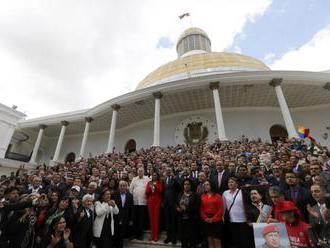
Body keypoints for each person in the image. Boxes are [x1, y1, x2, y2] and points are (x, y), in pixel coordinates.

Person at [223, 177, 254, 248]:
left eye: (232, 182)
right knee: (235, 240)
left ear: (237, 184)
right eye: (229, 182)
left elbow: (248, 204)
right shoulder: (225, 193)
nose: (230, 183)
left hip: (243, 220)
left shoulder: (242, 192)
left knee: (244, 240)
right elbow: (224, 207)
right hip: (232, 220)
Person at [200, 180, 224, 248]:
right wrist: (205, 218)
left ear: (212, 185)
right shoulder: (203, 196)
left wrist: (213, 219)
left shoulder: (218, 196)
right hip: (206, 220)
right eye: (204, 185)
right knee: (210, 241)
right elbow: (201, 209)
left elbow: (221, 209)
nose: (205, 186)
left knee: (217, 241)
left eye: (207, 184)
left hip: (216, 221)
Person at [176, 178, 199, 248]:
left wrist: (186, 209)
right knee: (183, 239)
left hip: (191, 220)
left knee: (192, 239)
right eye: (185, 184)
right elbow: (176, 203)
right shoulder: (180, 194)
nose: (186, 186)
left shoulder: (195, 195)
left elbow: (196, 207)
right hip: (182, 220)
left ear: (191, 185)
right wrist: (177, 208)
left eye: (188, 184)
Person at [129, 167, 150, 240]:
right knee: (135, 219)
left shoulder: (147, 179)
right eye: (139, 171)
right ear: (137, 172)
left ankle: (140, 235)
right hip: (135, 202)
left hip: (143, 202)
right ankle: (134, 234)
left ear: (144, 172)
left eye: (141, 171)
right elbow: (130, 190)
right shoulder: (134, 179)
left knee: (141, 219)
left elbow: (149, 189)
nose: (140, 172)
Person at [113, 180, 134, 248]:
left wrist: (131, 219)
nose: (122, 187)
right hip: (116, 218)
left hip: (125, 218)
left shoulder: (130, 196)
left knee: (122, 235)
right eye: (121, 185)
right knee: (115, 235)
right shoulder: (114, 194)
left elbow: (131, 208)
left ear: (126, 187)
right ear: (119, 186)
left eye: (124, 185)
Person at [146, 171, 163, 242]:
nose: (154, 176)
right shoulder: (149, 183)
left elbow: (160, 191)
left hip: (157, 201)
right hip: (150, 201)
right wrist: (150, 187)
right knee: (151, 218)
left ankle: (156, 236)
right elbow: (147, 192)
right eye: (153, 175)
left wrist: (154, 186)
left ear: (157, 176)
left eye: (155, 175)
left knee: (156, 218)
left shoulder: (160, 183)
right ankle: (151, 235)